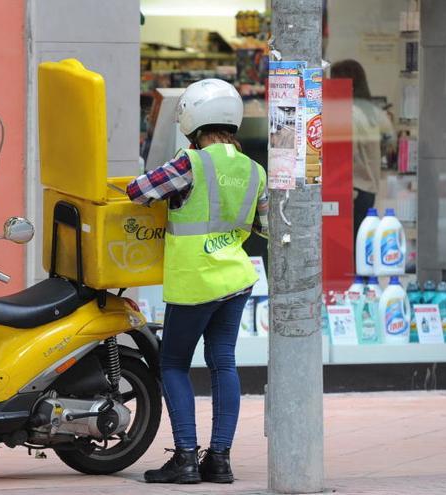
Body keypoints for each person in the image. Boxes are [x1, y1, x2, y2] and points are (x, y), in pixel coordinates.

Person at [127, 79, 268, 484]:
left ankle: (186, 457)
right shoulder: (254, 169)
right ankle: (219, 459)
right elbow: (265, 225)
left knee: (172, 364)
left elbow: (139, 191)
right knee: (223, 362)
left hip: (195, 281)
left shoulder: (191, 162)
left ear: (192, 121)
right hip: (237, 280)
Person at [329, 59, 395, 239]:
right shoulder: (372, 111)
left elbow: (347, 153)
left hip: (353, 190)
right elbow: (388, 144)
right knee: (362, 244)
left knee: (350, 247)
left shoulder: (349, 113)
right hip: (369, 187)